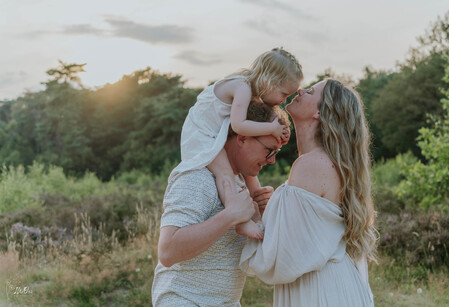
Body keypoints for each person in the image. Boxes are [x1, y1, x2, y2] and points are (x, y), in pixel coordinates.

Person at [240, 79, 378, 306]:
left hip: (320, 292)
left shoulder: (311, 165)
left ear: (320, 113)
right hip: (335, 286)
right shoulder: (326, 163)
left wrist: (254, 217)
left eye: (311, 91)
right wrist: (273, 210)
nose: (301, 90)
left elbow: (282, 259)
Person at [152, 102, 291, 306]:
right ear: (242, 137)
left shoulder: (241, 182)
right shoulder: (197, 176)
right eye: (269, 150)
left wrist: (262, 214)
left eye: (276, 153)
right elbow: (167, 251)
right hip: (185, 300)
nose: (271, 161)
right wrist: (230, 216)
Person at [170, 47, 303, 239]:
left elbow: (257, 119)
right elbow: (239, 126)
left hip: (213, 133)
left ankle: (261, 204)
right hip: (201, 136)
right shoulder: (242, 87)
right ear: (269, 81)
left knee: (247, 175)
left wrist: (280, 132)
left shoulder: (250, 90)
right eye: (284, 94)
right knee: (225, 174)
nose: (284, 100)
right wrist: (272, 129)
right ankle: (241, 222)